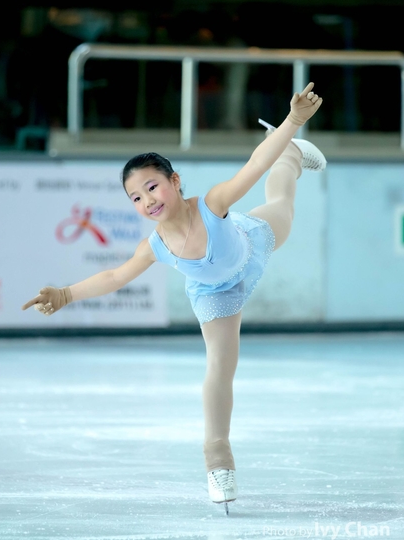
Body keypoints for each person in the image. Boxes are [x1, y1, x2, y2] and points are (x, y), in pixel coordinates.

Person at [22, 82, 324, 512]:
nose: (147, 200)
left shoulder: (213, 203)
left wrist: (293, 121)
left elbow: (256, 164)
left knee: (282, 203)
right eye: (136, 197)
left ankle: (290, 152)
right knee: (220, 366)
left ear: (175, 181)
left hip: (249, 243)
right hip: (214, 292)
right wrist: (66, 294)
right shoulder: (155, 246)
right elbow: (115, 276)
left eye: (152, 187)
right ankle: (217, 459)